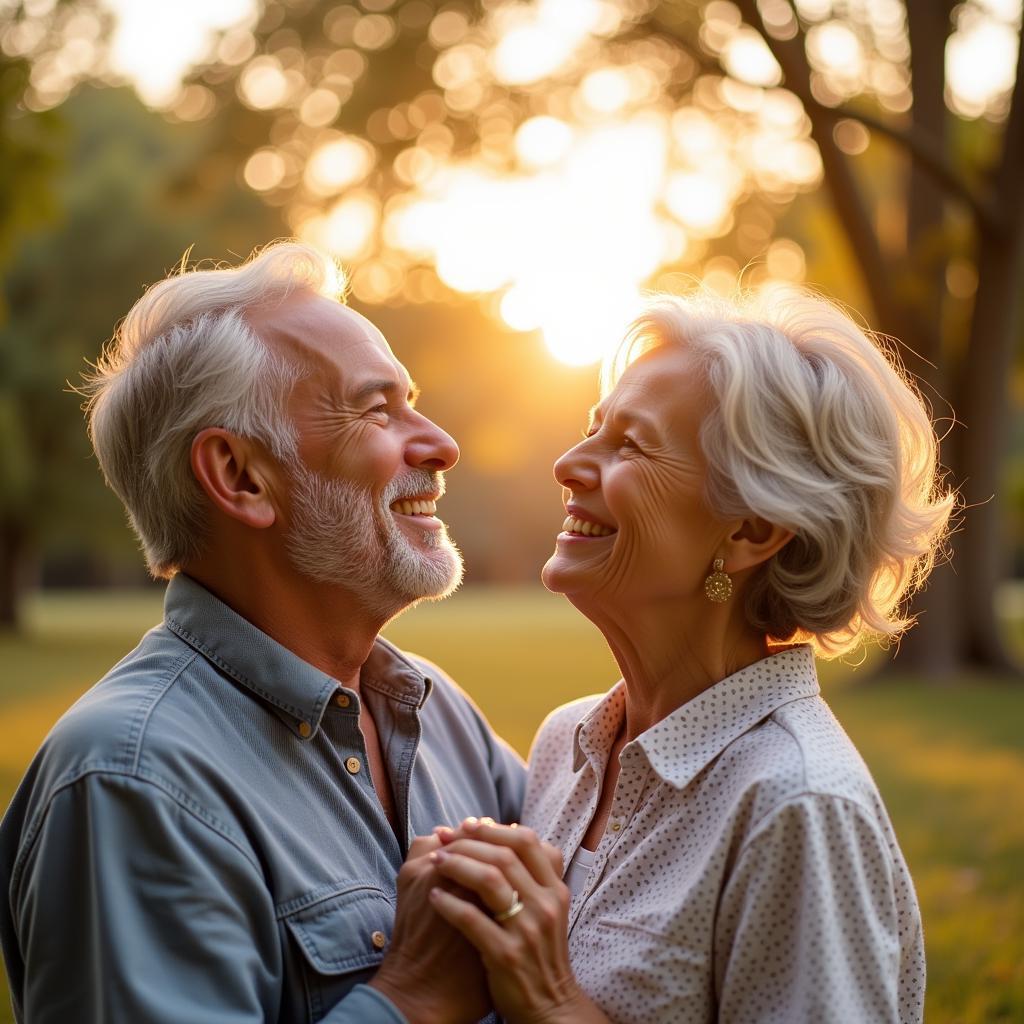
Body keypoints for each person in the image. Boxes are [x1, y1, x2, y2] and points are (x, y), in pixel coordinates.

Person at [0, 242, 525, 1024]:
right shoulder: (131, 781)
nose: (441, 444)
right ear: (241, 476)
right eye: (378, 409)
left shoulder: (439, 713)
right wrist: (408, 1001)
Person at [423, 289, 952, 1023]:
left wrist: (552, 1003)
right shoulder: (565, 746)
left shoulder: (797, 804)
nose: (569, 464)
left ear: (752, 528)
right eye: (592, 430)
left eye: (630, 445)